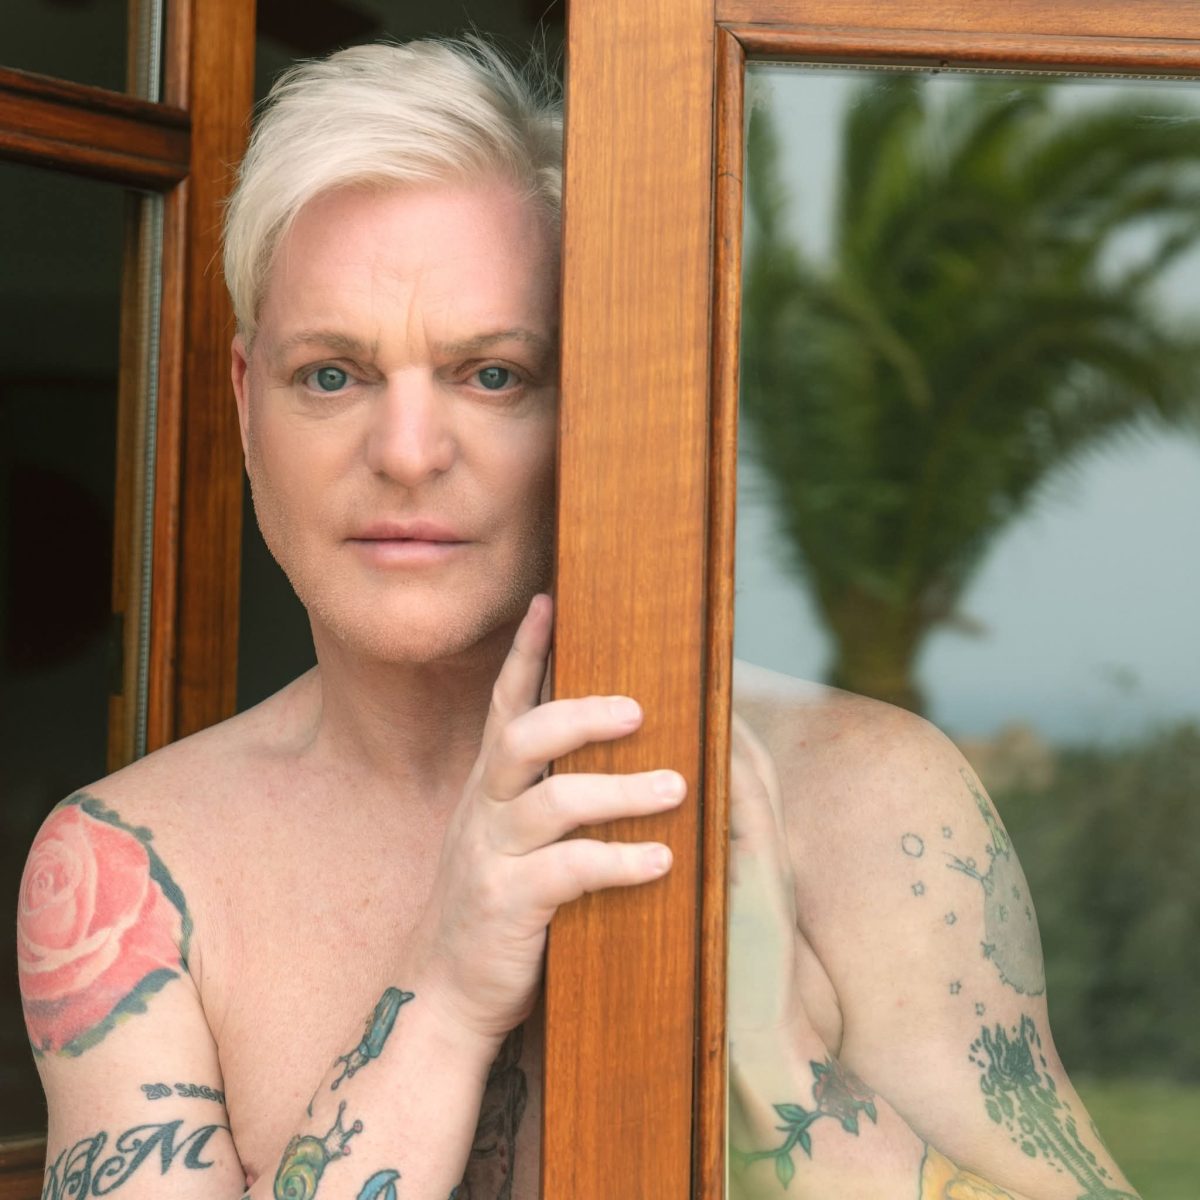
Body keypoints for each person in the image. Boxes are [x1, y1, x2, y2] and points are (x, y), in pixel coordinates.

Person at [16, 38, 1138, 1200]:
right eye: (334, 375)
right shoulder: (131, 876)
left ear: (594, 400)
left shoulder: (869, 801)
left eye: (491, 374)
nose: (407, 453)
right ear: (248, 403)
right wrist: (445, 998)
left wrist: (773, 1058)